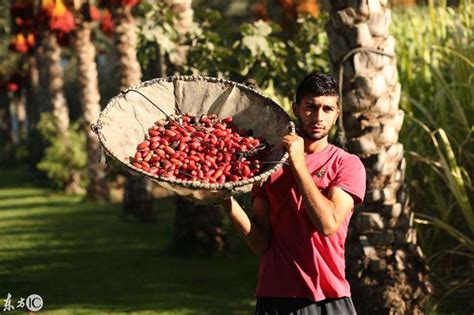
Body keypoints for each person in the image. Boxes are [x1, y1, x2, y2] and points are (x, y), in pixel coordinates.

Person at [223, 72, 366, 314]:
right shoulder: (270, 165)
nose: (318, 117)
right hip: (275, 298)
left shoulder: (346, 164)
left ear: (337, 114)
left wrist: (298, 163)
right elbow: (260, 243)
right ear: (296, 108)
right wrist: (224, 200)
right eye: (310, 107)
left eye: (327, 109)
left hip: (328, 298)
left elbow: (328, 224)